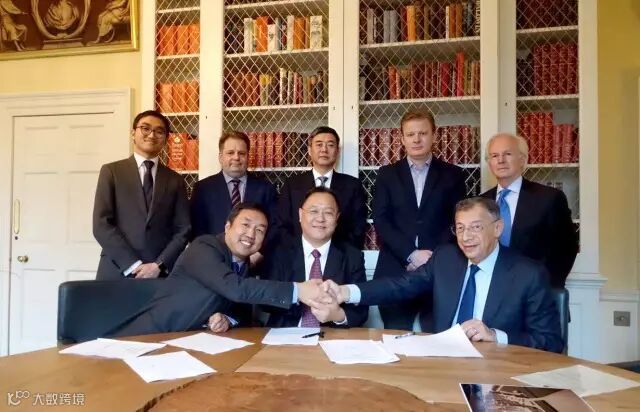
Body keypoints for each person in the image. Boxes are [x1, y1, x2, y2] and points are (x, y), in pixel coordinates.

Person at [324, 197, 563, 353]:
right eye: (460, 228)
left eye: (476, 227)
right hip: (443, 361)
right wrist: (346, 292)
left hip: (498, 368)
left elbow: (551, 342)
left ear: (497, 228)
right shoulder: (446, 258)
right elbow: (400, 286)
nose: (466, 237)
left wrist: (495, 336)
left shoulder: (528, 274)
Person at [110, 203, 330, 336]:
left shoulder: (244, 266)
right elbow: (235, 288)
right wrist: (297, 290)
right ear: (227, 227)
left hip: (189, 345)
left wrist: (227, 318)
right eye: (245, 225)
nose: (251, 234)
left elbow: (242, 311)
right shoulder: (204, 247)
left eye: (260, 230)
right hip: (148, 337)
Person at [372, 109, 466, 330]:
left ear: (434, 135)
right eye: (411, 134)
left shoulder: (453, 174)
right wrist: (411, 254)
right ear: (402, 138)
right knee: (395, 337)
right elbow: (381, 219)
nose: (416, 139)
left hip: (439, 268)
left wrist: (432, 256)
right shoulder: (386, 174)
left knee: (438, 337)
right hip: (395, 268)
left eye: (423, 133)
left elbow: (458, 220)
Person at [93, 110, 190, 280]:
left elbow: (183, 229)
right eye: (145, 128)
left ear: (166, 139)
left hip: (159, 274)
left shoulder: (175, 180)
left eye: (159, 131)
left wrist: (159, 265)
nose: (152, 135)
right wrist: (133, 265)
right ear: (133, 133)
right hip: (117, 269)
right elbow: (101, 224)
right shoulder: (112, 172)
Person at [481, 133, 578, 287]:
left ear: (522, 159)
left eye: (507, 154)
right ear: (489, 163)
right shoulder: (480, 202)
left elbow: (566, 249)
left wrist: (547, 287)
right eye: (494, 156)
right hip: (489, 288)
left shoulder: (549, 198)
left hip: (534, 290)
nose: (501, 160)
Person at [263, 187, 367, 328]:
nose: (320, 219)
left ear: (337, 218)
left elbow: (361, 311)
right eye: (314, 211)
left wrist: (338, 315)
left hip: (332, 336)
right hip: (286, 334)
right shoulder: (279, 253)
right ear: (300, 215)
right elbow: (264, 301)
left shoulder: (352, 256)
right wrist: (296, 293)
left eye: (328, 213)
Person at [190, 131, 278, 266]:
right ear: (220, 157)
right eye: (230, 153)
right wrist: (210, 256)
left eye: (241, 153)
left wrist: (259, 254)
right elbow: (197, 230)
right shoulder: (202, 189)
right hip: (213, 263)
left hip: (254, 264)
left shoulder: (265, 189)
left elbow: (275, 226)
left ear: (248, 157)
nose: (236, 157)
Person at [277, 126, 367, 249]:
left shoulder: (353, 186)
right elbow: (282, 225)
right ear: (309, 150)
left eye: (330, 145)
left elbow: (358, 227)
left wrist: (338, 255)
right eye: (319, 145)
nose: (324, 150)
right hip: (297, 255)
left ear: (337, 151)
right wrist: (299, 252)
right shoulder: (292, 184)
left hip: (341, 256)